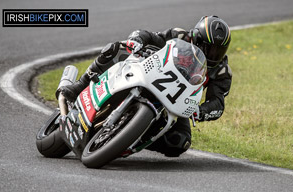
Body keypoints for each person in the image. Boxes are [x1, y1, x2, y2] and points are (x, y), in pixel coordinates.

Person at [59, 15, 232, 157]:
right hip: (151, 73)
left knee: (180, 142)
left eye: (218, 51)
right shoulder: (179, 36)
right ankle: (79, 86)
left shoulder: (222, 71)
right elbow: (150, 36)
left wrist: (200, 111)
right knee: (116, 48)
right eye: (209, 48)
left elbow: (217, 103)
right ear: (197, 38)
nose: (212, 55)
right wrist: (137, 41)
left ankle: (130, 138)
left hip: (178, 100)